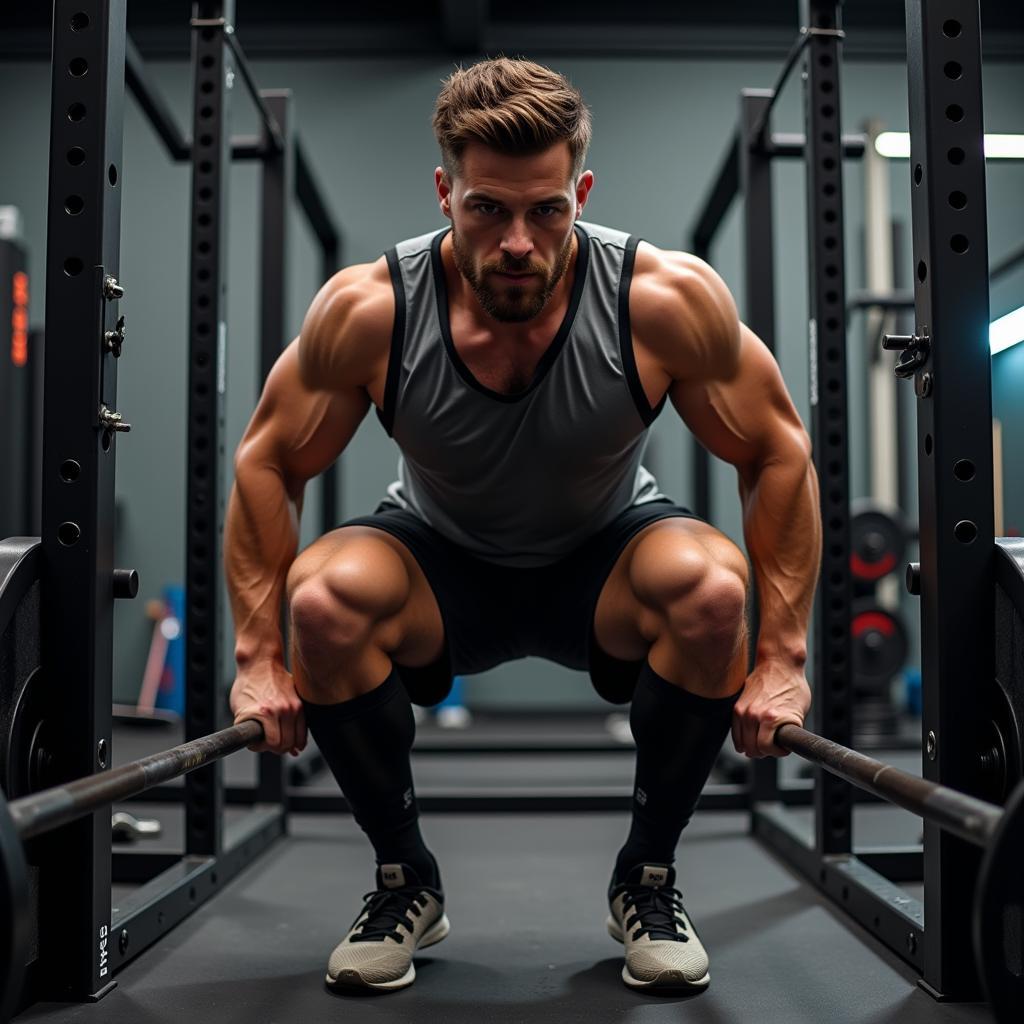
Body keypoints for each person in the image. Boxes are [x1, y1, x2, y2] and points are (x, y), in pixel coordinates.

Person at [225, 56, 819, 995]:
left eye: (547, 211)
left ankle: (650, 878)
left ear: (581, 191)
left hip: (607, 557)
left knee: (712, 589)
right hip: (436, 565)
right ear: (444, 191)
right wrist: (259, 655)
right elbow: (268, 458)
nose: (517, 242)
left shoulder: (660, 299)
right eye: (486, 209)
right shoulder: (373, 309)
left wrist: (782, 657)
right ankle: (402, 879)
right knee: (325, 600)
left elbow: (778, 449)